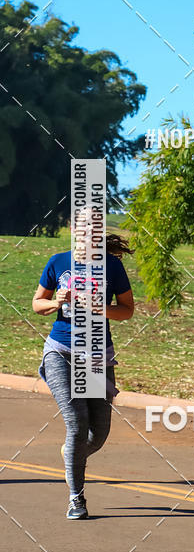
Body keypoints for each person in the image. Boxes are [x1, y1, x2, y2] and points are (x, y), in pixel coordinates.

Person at [32, 214, 134, 520]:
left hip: (97, 355)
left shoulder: (112, 267)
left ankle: (70, 455)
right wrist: (55, 301)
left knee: (97, 434)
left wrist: (100, 308)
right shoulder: (58, 262)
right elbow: (37, 303)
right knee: (76, 425)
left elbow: (127, 311)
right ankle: (76, 498)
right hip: (61, 351)